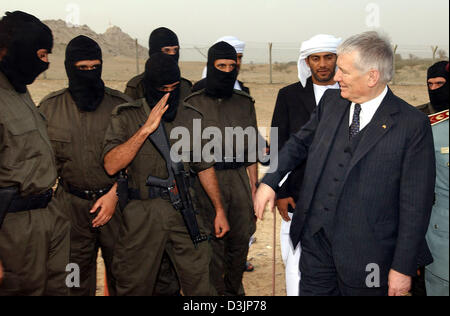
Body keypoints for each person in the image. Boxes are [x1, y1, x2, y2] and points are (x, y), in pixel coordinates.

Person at [254, 31, 436, 296]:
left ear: (372, 76)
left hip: (370, 258)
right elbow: (298, 143)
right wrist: (270, 181)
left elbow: (415, 204)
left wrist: (403, 267)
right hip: (317, 245)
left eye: (344, 71)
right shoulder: (332, 103)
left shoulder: (411, 125)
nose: (336, 77)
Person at [102, 52, 229, 296]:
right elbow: (111, 165)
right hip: (142, 212)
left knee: (200, 281)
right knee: (134, 284)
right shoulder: (127, 116)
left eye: (174, 87)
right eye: (162, 88)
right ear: (149, 87)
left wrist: (219, 210)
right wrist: (144, 130)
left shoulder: (190, 116)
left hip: (184, 209)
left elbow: (204, 166)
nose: (168, 94)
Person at [38, 35, 133, 296]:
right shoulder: (50, 108)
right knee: (73, 280)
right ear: (70, 68)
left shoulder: (121, 107)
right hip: (71, 212)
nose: (90, 74)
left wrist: (114, 194)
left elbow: (138, 160)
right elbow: (40, 166)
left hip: (117, 208)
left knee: (124, 277)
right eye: (82, 69)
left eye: (95, 67)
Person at [0, 11, 70, 296]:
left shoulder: (19, 90)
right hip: (13, 226)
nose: (45, 64)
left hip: (47, 216)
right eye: (41, 55)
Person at [185, 41, 259, 296]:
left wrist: (253, 190)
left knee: (239, 248)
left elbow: (251, 152)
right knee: (211, 252)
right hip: (205, 182)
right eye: (221, 65)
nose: (228, 70)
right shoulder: (193, 103)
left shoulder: (244, 102)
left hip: (238, 181)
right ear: (211, 66)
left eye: (232, 65)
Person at [271, 34, 341, 296]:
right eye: (316, 58)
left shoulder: (350, 93)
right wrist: (281, 191)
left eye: (328, 57)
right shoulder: (288, 95)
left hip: (339, 197)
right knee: (295, 266)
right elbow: (280, 146)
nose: (322, 64)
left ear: (337, 59)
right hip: (297, 196)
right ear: (307, 62)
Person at [425, 62, 449, 296]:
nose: (434, 89)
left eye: (440, 84)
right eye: (430, 84)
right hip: (438, 232)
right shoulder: (422, 120)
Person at [124, 27, 192, 101]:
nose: (173, 54)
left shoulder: (184, 86)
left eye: (175, 50)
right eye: (167, 50)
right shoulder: (137, 88)